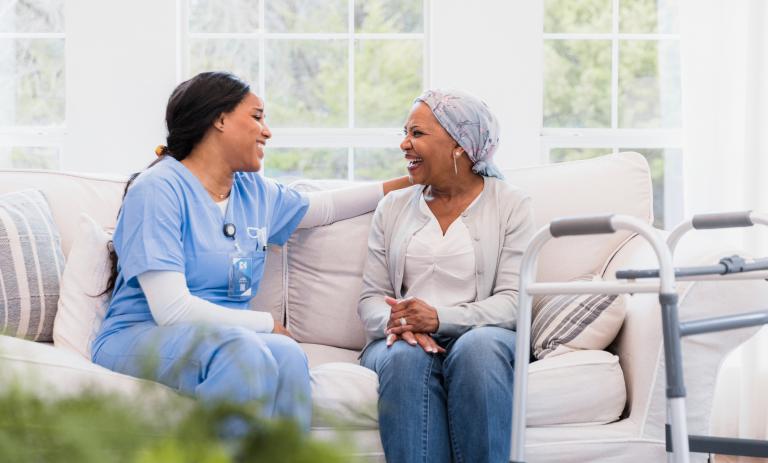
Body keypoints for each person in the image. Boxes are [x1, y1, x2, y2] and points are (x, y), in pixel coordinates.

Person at [91, 71, 411, 431]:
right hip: (141, 334)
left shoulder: (251, 191)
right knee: (242, 352)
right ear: (220, 119)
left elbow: (325, 209)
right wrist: (267, 323)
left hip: (229, 338)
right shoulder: (158, 190)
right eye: (257, 116)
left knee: (289, 355)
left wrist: (413, 181)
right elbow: (171, 310)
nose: (267, 131)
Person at [358, 89, 535, 462]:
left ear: (459, 144)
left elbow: (515, 302)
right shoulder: (392, 208)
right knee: (406, 357)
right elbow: (370, 298)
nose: (404, 144)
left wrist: (440, 318)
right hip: (403, 340)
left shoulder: (511, 205)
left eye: (417, 134)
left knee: (479, 350)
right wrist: (398, 321)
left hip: (482, 334)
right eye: (404, 133)